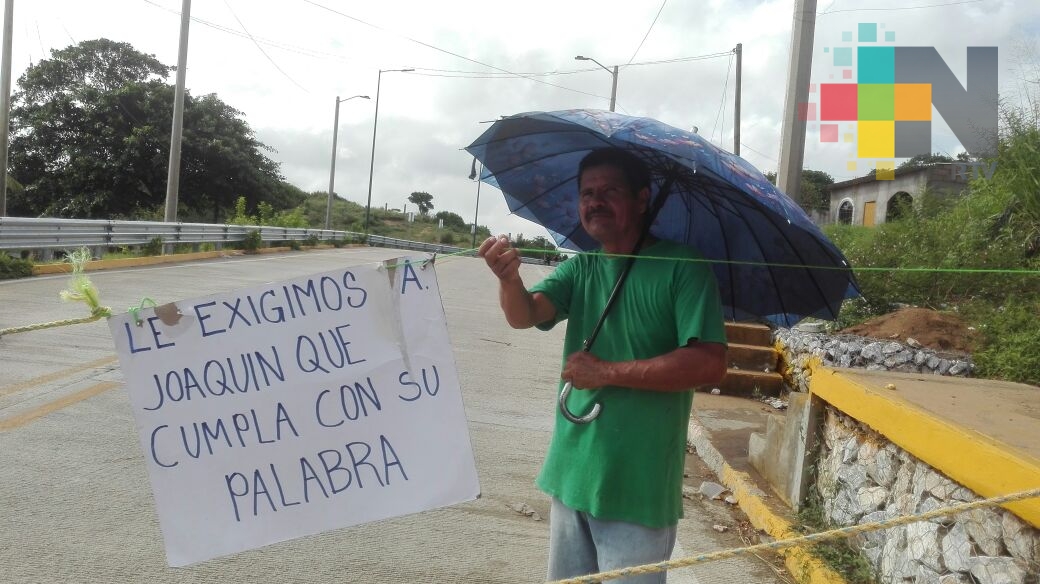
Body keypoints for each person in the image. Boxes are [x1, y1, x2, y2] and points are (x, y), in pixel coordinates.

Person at [478, 147, 728, 583]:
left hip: (638, 487)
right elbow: (526, 314)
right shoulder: (584, 267)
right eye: (586, 193)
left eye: (609, 191)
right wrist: (509, 279)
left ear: (642, 198)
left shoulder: (683, 268)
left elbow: (709, 363)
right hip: (570, 473)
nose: (594, 201)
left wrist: (607, 372)